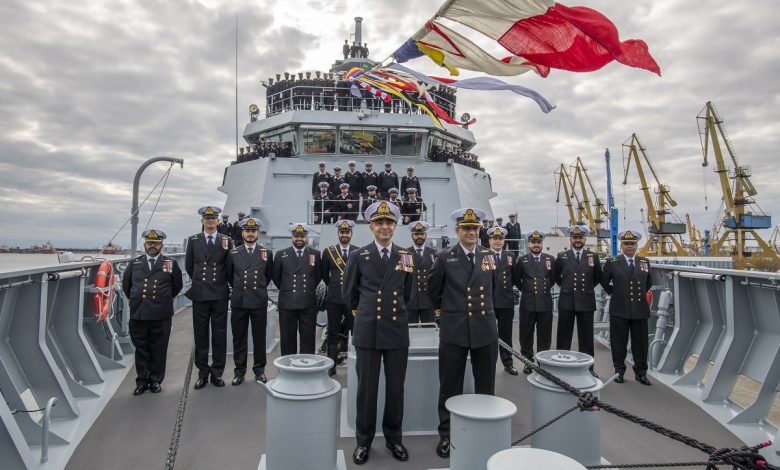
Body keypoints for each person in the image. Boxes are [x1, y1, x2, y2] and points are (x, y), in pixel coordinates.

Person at [343, 201, 413, 465]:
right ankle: (364, 441)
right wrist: (363, 316)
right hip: (368, 330)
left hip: (396, 331)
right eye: (380, 223)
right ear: (371, 226)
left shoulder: (406, 256)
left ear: (395, 226)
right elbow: (348, 295)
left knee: (396, 389)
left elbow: (408, 293)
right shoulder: (359, 256)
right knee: (367, 390)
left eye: (389, 223)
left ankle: (394, 439)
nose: (385, 227)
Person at [429, 208, 498, 459]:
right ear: (457, 231)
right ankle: (447, 435)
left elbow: (494, 288)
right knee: (450, 385)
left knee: (485, 384)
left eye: (475, 228)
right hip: (454, 329)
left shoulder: (489, 256)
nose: (471, 232)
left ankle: (485, 428)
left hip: (485, 330)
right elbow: (433, 292)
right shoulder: (445, 257)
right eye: (466, 228)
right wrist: (446, 314)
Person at [122, 229, 183, 395]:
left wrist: (163, 300)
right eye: (149, 243)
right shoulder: (134, 264)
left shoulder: (170, 264)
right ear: (145, 245)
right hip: (139, 313)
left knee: (159, 348)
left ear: (161, 244)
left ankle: (155, 380)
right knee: (141, 348)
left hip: (160, 313)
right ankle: (142, 380)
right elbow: (126, 286)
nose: (152, 246)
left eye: (155, 243)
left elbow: (177, 286)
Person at [185, 206, 232, 389]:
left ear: (218, 221)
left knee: (219, 335)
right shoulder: (194, 241)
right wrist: (200, 283)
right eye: (207, 218)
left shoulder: (226, 240)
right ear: (202, 221)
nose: (211, 221)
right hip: (201, 294)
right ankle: (203, 373)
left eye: (213, 218)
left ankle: (217, 373)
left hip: (219, 293)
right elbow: (190, 266)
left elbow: (228, 267)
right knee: (201, 335)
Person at [600, 230, 653, 385]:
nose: (630, 246)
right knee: (618, 342)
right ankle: (619, 372)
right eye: (626, 244)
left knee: (641, 343)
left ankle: (641, 373)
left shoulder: (644, 262)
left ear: (636, 245)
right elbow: (604, 282)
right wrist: (614, 293)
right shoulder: (613, 262)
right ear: (621, 246)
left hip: (639, 308)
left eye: (632, 244)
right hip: (619, 308)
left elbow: (648, 283)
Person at [226, 217, 274, 385]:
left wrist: (257, 289)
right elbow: (230, 276)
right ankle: (239, 371)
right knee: (239, 337)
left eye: (253, 231)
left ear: (258, 233)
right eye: (247, 231)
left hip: (258, 300)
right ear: (243, 232)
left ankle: (259, 370)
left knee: (259, 337)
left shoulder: (266, 253)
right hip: (239, 301)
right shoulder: (233, 253)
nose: (250, 234)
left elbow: (267, 276)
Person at [553, 225, 602, 377]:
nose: (578, 240)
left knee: (586, 337)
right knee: (563, 336)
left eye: (580, 237)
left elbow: (597, 277)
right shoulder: (562, 256)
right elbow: (556, 277)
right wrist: (567, 288)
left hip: (586, 300)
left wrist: (585, 289)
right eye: (575, 237)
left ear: (584, 239)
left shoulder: (592, 257)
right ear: (570, 239)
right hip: (567, 300)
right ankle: (561, 365)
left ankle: (587, 368)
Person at [271, 223, 322, 355]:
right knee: (287, 338)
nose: (299, 238)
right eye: (296, 236)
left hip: (308, 303)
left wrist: (307, 290)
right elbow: (276, 277)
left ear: (307, 237)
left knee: (308, 338)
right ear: (291, 237)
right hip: (287, 303)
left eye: (302, 236)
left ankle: (307, 365)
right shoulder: (281, 254)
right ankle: (288, 367)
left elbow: (317, 276)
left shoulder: (315, 254)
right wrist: (287, 290)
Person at [321, 219, 360, 376]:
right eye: (342, 232)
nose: (345, 235)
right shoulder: (328, 252)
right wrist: (336, 287)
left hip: (352, 300)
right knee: (333, 333)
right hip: (334, 299)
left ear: (351, 234)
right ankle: (331, 365)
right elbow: (324, 275)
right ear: (338, 233)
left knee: (355, 331)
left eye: (347, 232)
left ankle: (357, 361)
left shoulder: (358, 252)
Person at [514, 230, 555, 374]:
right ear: (529, 244)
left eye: (538, 242)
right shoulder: (522, 259)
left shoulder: (550, 259)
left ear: (542, 244)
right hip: (528, 303)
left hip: (545, 303)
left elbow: (553, 278)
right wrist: (527, 290)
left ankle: (542, 363)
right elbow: (516, 279)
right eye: (533, 242)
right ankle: (528, 362)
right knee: (526, 335)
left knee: (544, 335)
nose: (536, 245)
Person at [488, 226, 518, 375]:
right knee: (488, 335)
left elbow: (515, 278)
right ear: (490, 240)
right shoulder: (484, 254)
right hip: (488, 303)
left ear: (504, 240)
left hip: (506, 302)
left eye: (500, 238)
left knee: (506, 334)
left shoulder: (510, 256)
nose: (498, 241)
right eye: (495, 238)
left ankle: (508, 362)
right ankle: (489, 363)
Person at [406, 221, 436, 324]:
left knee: (430, 334)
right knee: (409, 333)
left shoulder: (434, 254)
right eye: (416, 234)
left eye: (422, 234)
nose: (419, 236)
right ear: (412, 236)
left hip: (428, 302)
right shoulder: (405, 254)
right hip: (410, 302)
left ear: (426, 235)